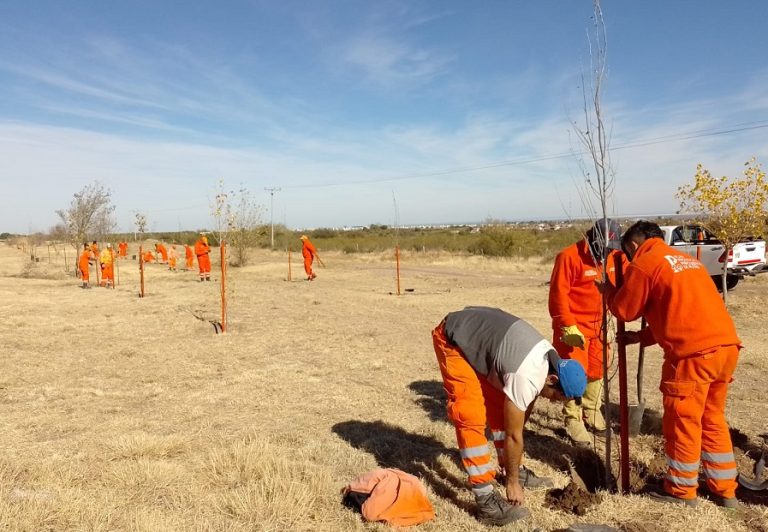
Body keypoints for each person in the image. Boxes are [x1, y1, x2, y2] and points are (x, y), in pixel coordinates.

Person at [600, 221, 741, 508]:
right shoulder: (688, 261)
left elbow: (625, 309)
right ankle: (725, 490)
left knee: (683, 420)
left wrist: (607, 292)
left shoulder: (645, 262)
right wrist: (641, 336)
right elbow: (679, 311)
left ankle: (680, 491)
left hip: (693, 356)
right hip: (726, 349)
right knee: (711, 418)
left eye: (628, 253)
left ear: (633, 246)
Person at [432, 306, 587, 526]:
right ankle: (485, 499)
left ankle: (511, 467)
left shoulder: (548, 358)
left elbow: (519, 418)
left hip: (482, 337)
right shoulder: (527, 377)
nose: (552, 401)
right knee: (470, 413)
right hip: (453, 338)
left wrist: (511, 466)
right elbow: (514, 436)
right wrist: (512, 483)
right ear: (552, 379)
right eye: (556, 398)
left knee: (501, 410)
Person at [548, 219, 622, 445]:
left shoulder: (615, 258)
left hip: (600, 326)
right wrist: (566, 324)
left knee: (597, 370)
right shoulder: (569, 257)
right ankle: (574, 419)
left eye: (610, 249)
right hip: (574, 329)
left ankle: (591, 410)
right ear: (591, 239)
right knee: (575, 375)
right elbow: (558, 296)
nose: (605, 252)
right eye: (602, 248)